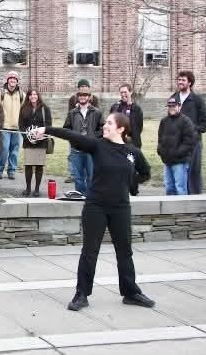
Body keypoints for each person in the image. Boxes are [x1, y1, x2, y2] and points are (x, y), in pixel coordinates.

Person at [32, 112, 153, 311]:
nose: (105, 126)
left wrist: (131, 183)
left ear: (121, 129)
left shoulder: (132, 153)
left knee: (125, 252)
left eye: (110, 123)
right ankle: (82, 294)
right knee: (90, 252)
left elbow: (146, 173)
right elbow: (71, 135)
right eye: (105, 122)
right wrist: (45, 130)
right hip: (96, 206)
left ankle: (131, 292)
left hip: (121, 208)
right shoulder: (98, 145)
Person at [171, 71, 206, 194]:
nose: (180, 82)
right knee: (179, 170)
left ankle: (195, 197)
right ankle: (180, 196)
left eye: (183, 80)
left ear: (190, 83)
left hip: (194, 142)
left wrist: (193, 130)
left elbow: (205, 121)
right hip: (177, 142)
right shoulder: (173, 98)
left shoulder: (197, 100)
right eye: (179, 79)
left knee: (194, 171)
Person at [63, 89, 104, 196]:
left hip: (90, 150)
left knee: (91, 176)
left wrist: (93, 137)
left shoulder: (97, 112)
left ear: (89, 97)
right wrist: (73, 137)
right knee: (78, 177)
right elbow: (66, 129)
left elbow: (103, 129)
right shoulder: (72, 113)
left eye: (85, 95)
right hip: (76, 149)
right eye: (80, 95)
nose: (82, 97)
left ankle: (90, 198)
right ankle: (79, 197)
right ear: (77, 97)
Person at [157, 98, 196, 195]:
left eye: (173, 106)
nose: (171, 108)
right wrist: (160, 151)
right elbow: (160, 139)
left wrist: (177, 153)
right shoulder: (164, 121)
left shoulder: (186, 122)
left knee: (180, 188)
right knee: (169, 187)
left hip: (180, 162)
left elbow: (189, 142)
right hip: (167, 161)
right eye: (169, 106)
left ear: (179, 106)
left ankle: (183, 210)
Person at [19, 89, 52, 197]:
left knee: (39, 166)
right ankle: (28, 188)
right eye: (31, 94)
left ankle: (37, 189)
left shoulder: (45, 108)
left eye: (35, 94)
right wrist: (27, 136)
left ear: (38, 96)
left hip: (41, 141)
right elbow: (21, 125)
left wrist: (40, 135)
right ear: (28, 96)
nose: (33, 96)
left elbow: (48, 124)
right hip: (28, 141)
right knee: (28, 165)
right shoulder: (23, 108)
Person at [0, 71, 25, 180]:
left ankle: (11, 170)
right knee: (4, 149)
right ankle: (0, 169)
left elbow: (24, 110)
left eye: (15, 78)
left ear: (17, 81)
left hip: (17, 128)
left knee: (14, 151)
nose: (12, 80)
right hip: (4, 127)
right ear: (7, 80)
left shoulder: (22, 95)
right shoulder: (1, 93)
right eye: (10, 78)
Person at [110, 83, 143, 148]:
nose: (123, 94)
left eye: (125, 92)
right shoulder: (115, 107)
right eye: (121, 92)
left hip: (132, 142)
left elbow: (139, 127)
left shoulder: (137, 109)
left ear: (130, 92)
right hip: (117, 141)